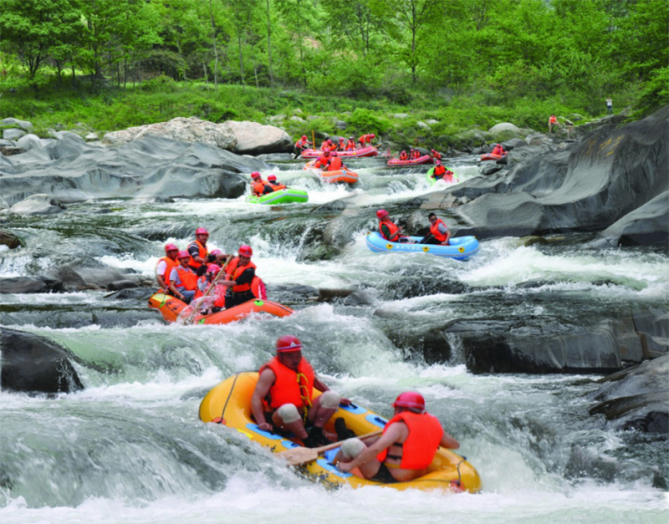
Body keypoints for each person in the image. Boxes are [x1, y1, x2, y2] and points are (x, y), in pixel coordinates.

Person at [334, 391, 459, 482]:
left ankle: (334, 466)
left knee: (351, 444)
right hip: (418, 477)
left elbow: (376, 449)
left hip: (390, 477)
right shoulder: (432, 425)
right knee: (370, 441)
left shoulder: (398, 427)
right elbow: (454, 445)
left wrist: (350, 465)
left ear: (400, 409)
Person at [251, 336, 351, 448]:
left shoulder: (303, 364)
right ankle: (307, 440)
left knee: (332, 396)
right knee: (289, 409)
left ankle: (316, 433)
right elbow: (256, 398)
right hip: (280, 419)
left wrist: (339, 398)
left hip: (304, 413)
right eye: (290, 356)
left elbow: (316, 382)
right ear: (280, 356)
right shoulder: (270, 372)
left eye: (297, 355)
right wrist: (261, 423)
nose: (295, 359)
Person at [219, 244, 263, 309]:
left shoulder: (250, 270)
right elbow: (217, 258)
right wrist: (226, 256)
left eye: (248, 258)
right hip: (230, 295)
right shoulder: (233, 260)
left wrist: (220, 282)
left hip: (244, 297)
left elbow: (236, 283)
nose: (245, 260)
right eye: (244, 258)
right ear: (239, 257)